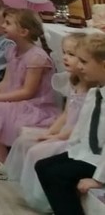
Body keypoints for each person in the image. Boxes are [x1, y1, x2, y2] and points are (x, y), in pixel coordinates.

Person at [0, 8, 60, 179]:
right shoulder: (12, 50)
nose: (4, 26)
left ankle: (3, 161)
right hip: (15, 98)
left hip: (34, 105)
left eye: (8, 23)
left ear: (23, 31)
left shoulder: (37, 57)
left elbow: (28, 92)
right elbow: (7, 82)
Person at [6, 32, 92, 209]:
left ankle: (45, 199)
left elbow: (82, 125)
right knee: (25, 141)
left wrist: (56, 137)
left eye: (72, 55)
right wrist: (51, 132)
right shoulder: (73, 81)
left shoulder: (92, 89)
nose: (65, 58)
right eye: (64, 53)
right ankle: (35, 194)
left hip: (74, 137)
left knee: (38, 152)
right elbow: (66, 114)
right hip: (65, 132)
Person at [35, 33, 105, 215]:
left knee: (57, 174)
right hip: (91, 154)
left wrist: (99, 180)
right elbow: (84, 128)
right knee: (43, 166)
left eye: (84, 62)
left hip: (101, 160)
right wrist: (72, 151)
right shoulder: (96, 92)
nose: (79, 67)